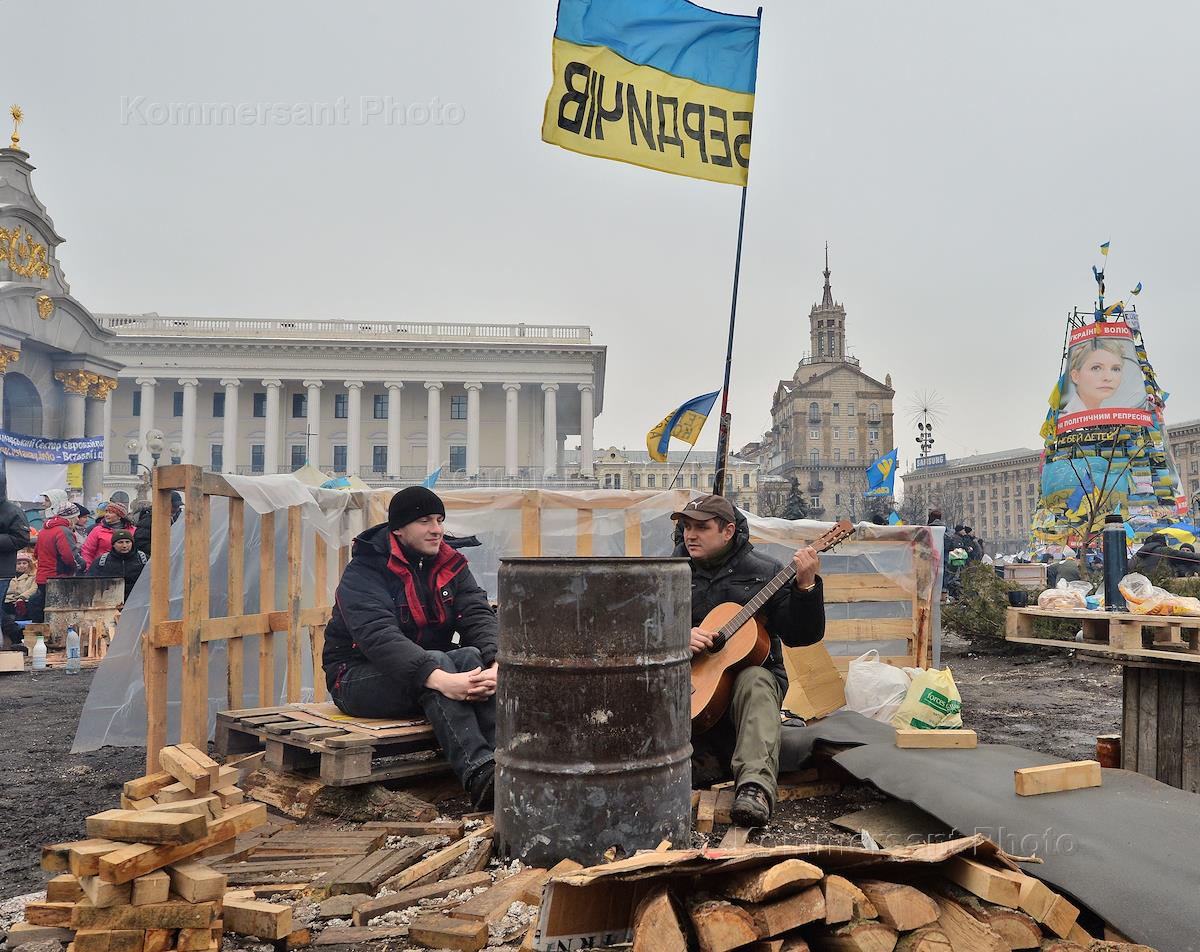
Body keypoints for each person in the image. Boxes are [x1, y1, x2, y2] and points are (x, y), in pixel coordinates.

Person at [322, 487, 498, 808]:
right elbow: (379, 637)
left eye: (440, 520)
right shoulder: (364, 572)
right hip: (354, 678)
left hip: (428, 669)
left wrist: (496, 664)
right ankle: (482, 776)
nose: (436, 529)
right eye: (425, 521)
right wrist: (440, 678)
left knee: (473, 657)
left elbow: (477, 614)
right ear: (399, 529)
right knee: (439, 661)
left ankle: (508, 762)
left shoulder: (450, 564)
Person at [674, 494, 825, 828]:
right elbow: (640, 629)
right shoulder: (669, 573)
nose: (690, 535)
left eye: (701, 527)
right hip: (692, 684)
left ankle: (754, 789)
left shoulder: (765, 572)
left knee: (755, 679)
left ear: (728, 531)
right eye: (686, 526)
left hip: (749, 688)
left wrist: (806, 587)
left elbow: (802, 635)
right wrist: (677, 637)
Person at [0, 464, 32, 649]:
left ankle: (13, 634)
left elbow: (21, 538)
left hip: (1, 570)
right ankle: (13, 634)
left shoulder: (12, 511)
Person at [34, 501, 85, 610]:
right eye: (76, 516)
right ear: (71, 517)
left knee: (46, 611)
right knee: (59, 611)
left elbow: (36, 553)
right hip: (57, 577)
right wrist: (82, 565)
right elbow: (69, 556)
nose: (77, 519)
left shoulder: (43, 531)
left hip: (42, 578)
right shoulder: (63, 531)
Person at [1063, 339, 1126, 414]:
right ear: (1076, 376)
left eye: (1115, 369)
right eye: (1096, 368)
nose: (1108, 378)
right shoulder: (1067, 417)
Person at [87, 529, 148, 600]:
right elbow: (90, 583)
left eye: (127, 542)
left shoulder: (143, 559)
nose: (124, 545)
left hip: (138, 600)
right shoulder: (102, 562)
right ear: (113, 544)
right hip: (110, 601)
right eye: (120, 542)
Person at [82, 501, 132, 567]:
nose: (106, 515)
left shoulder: (132, 530)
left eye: (110, 513)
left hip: (127, 567)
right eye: (106, 512)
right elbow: (87, 551)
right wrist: (88, 568)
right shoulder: (97, 530)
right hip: (102, 568)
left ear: (120, 516)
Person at [134, 493, 182, 558]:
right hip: (156, 558)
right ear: (164, 504)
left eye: (178, 506)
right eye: (174, 506)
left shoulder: (178, 518)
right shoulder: (149, 519)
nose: (176, 509)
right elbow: (140, 542)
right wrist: (161, 551)